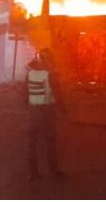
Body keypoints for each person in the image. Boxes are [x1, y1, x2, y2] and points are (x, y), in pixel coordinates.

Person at [26, 48, 65, 181]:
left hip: (33, 111)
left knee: (32, 143)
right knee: (50, 142)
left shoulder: (30, 74)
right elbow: (57, 93)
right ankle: (53, 171)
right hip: (46, 111)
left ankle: (32, 173)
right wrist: (62, 109)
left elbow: (24, 93)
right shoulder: (49, 74)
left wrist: (29, 108)